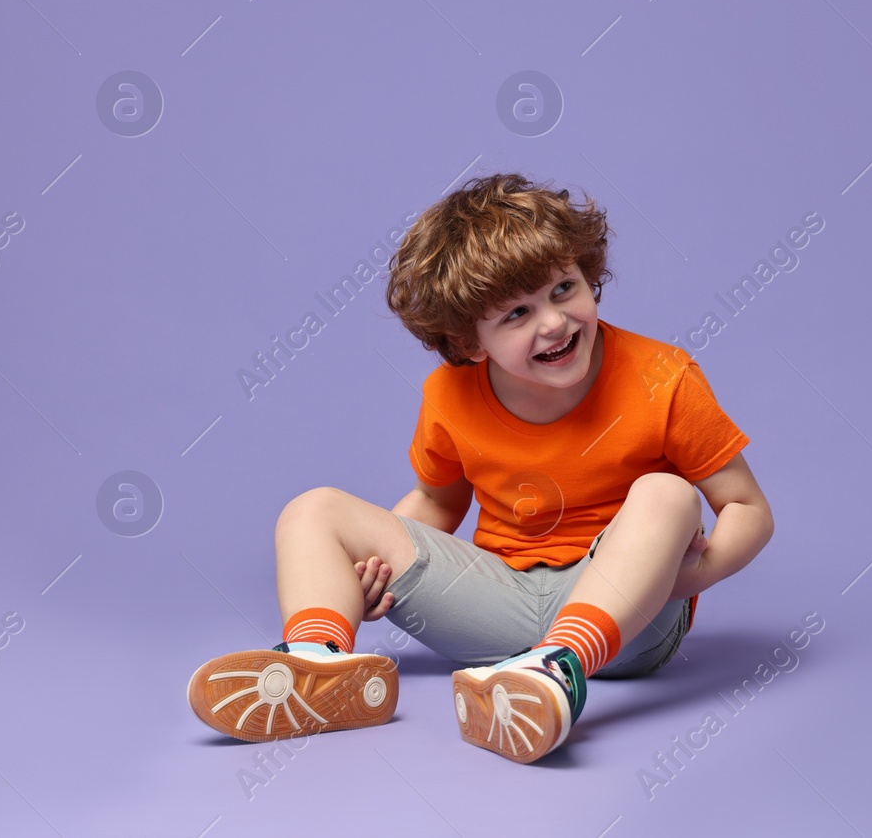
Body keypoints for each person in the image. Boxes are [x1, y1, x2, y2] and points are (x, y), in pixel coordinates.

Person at [187, 171, 774, 763]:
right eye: (516, 314)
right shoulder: (450, 394)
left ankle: (560, 668)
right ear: (471, 343)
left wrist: (695, 576)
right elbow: (437, 502)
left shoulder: (662, 376)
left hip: (628, 618)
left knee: (668, 493)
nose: (553, 322)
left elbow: (747, 509)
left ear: (589, 274)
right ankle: (319, 661)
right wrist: (362, 571)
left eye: (564, 288)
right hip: (499, 606)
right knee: (312, 509)